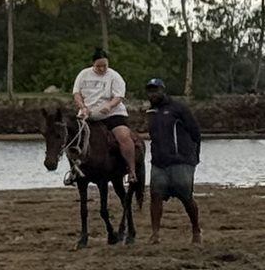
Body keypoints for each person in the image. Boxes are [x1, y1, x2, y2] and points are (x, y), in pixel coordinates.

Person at [145, 77, 202, 244]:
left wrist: (193, 157)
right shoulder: (151, 113)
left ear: (163, 90)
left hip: (181, 161)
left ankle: (196, 229)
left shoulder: (178, 109)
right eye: (150, 91)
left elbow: (195, 132)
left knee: (186, 197)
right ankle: (155, 234)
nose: (153, 94)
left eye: (156, 90)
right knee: (155, 196)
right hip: (159, 163)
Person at [72, 48, 139, 184]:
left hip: (111, 113)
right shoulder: (83, 74)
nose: (102, 69)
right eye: (99, 66)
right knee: (72, 136)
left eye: (105, 66)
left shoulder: (114, 76)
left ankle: (132, 171)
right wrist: (82, 107)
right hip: (88, 113)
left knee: (123, 136)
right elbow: (77, 94)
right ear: (93, 64)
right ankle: (74, 171)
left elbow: (119, 96)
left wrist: (109, 105)